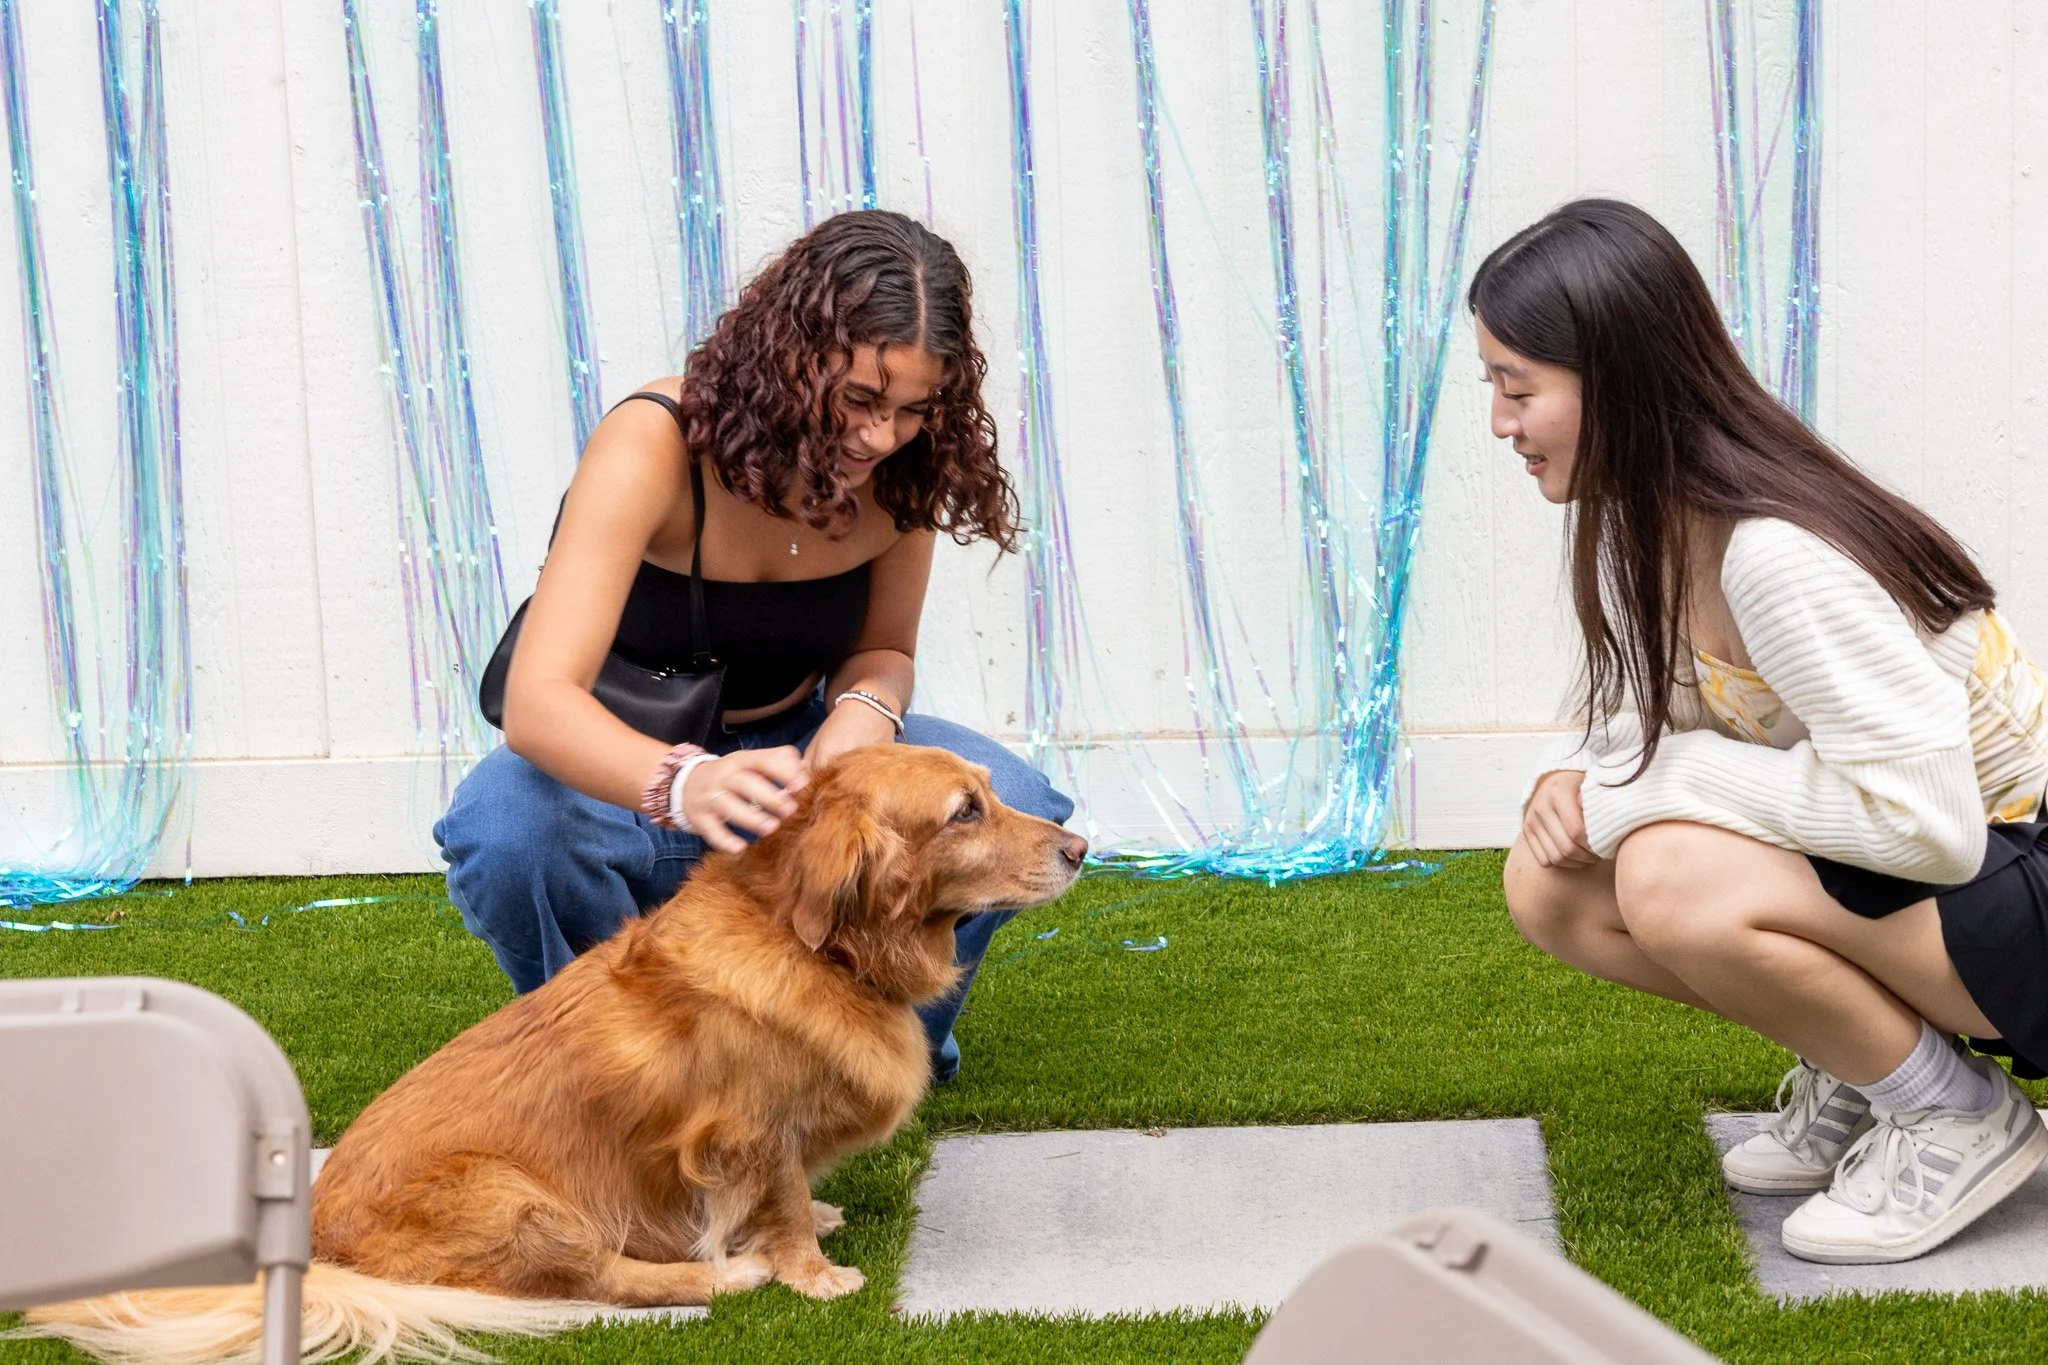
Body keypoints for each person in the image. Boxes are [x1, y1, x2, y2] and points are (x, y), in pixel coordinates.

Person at [1480, 199, 2048, 1265]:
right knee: (1548, 882)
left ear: (1621, 378)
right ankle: (1864, 1063)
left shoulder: (1772, 555)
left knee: (1665, 874)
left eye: (1518, 388)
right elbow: (1686, 708)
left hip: (2019, 881)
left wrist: (1664, 781)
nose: (1501, 423)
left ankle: (1954, 1114)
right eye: (1494, 388)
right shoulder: (1647, 526)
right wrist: (1575, 774)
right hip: (1948, 901)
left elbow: (1936, 834)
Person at [434, 210, 1076, 1084]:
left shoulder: (904, 476)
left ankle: (874, 1044)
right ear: (788, 357)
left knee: (1020, 794)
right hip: (627, 761)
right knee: (508, 827)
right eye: (857, 399)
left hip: (795, 747)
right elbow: (540, 700)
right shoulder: (654, 442)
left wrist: (863, 715)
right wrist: (686, 781)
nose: (880, 437)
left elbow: (884, 649)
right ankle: (610, 1066)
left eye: (912, 410)